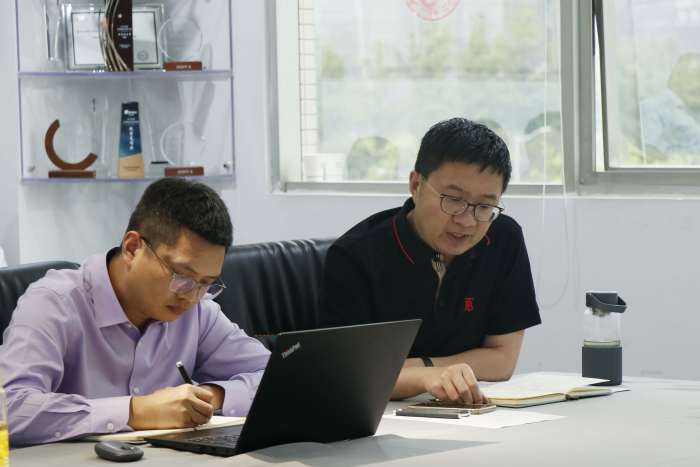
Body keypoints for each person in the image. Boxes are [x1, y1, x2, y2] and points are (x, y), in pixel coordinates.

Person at [0, 178, 270, 446]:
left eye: (206, 283)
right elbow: (11, 408)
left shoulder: (198, 311)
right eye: (182, 276)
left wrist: (210, 397)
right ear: (132, 248)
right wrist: (134, 411)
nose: (191, 296)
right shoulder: (54, 302)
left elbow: (276, 378)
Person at [321, 118, 541, 403]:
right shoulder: (355, 257)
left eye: (485, 206)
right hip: (382, 419)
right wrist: (428, 377)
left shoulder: (503, 238)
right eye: (453, 199)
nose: (466, 221)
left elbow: (503, 359)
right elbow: (350, 376)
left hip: (468, 412)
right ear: (416, 184)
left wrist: (421, 368)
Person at [639, 52, 700, 160]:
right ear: (677, 78)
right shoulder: (653, 107)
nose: (698, 84)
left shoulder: (693, 107)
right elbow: (650, 152)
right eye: (696, 77)